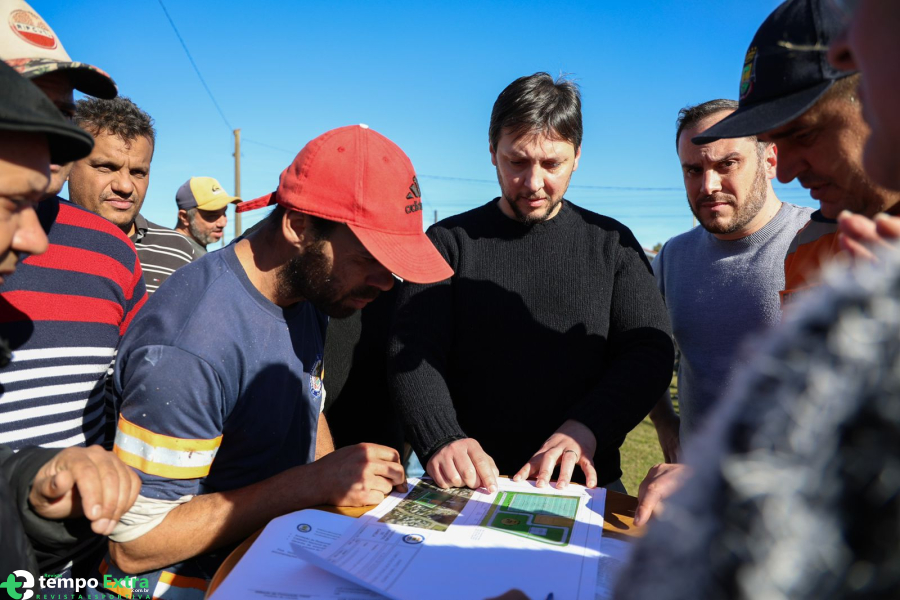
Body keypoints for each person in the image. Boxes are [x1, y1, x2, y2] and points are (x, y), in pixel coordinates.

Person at [101, 125, 453, 599]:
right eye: (368, 257)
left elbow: (308, 394)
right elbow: (134, 544)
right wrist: (312, 483)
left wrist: (336, 478)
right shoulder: (188, 346)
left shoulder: (306, 292)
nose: (386, 282)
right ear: (298, 227)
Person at [389, 73, 674, 494]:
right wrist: (441, 437)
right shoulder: (448, 243)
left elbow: (649, 351)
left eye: (552, 164)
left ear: (577, 156)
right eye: (517, 162)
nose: (534, 183)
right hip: (465, 483)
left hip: (581, 485)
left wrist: (589, 426)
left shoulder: (613, 245)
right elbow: (410, 348)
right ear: (492, 152)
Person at [0, 60, 139, 591]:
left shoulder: (113, 249)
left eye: (61, 113)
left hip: (78, 560)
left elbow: (131, 385)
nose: (31, 242)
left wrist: (43, 486)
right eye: (29, 106)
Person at [692, 0, 900, 307]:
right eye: (772, 141)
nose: (786, 173)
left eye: (804, 134)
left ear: (872, 95)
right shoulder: (807, 244)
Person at [648, 101, 812, 455]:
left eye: (727, 164)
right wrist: (665, 423)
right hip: (697, 480)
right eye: (693, 170)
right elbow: (644, 352)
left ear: (770, 161)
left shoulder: (823, 240)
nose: (708, 185)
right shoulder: (672, 258)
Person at [68, 97, 196, 293]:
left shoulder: (178, 252)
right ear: (66, 165)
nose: (126, 186)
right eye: (106, 167)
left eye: (138, 172)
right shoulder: (32, 240)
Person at [173, 176, 239, 257]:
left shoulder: (192, 250)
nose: (223, 223)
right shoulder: (178, 254)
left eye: (224, 212)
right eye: (212, 215)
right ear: (184, 217)